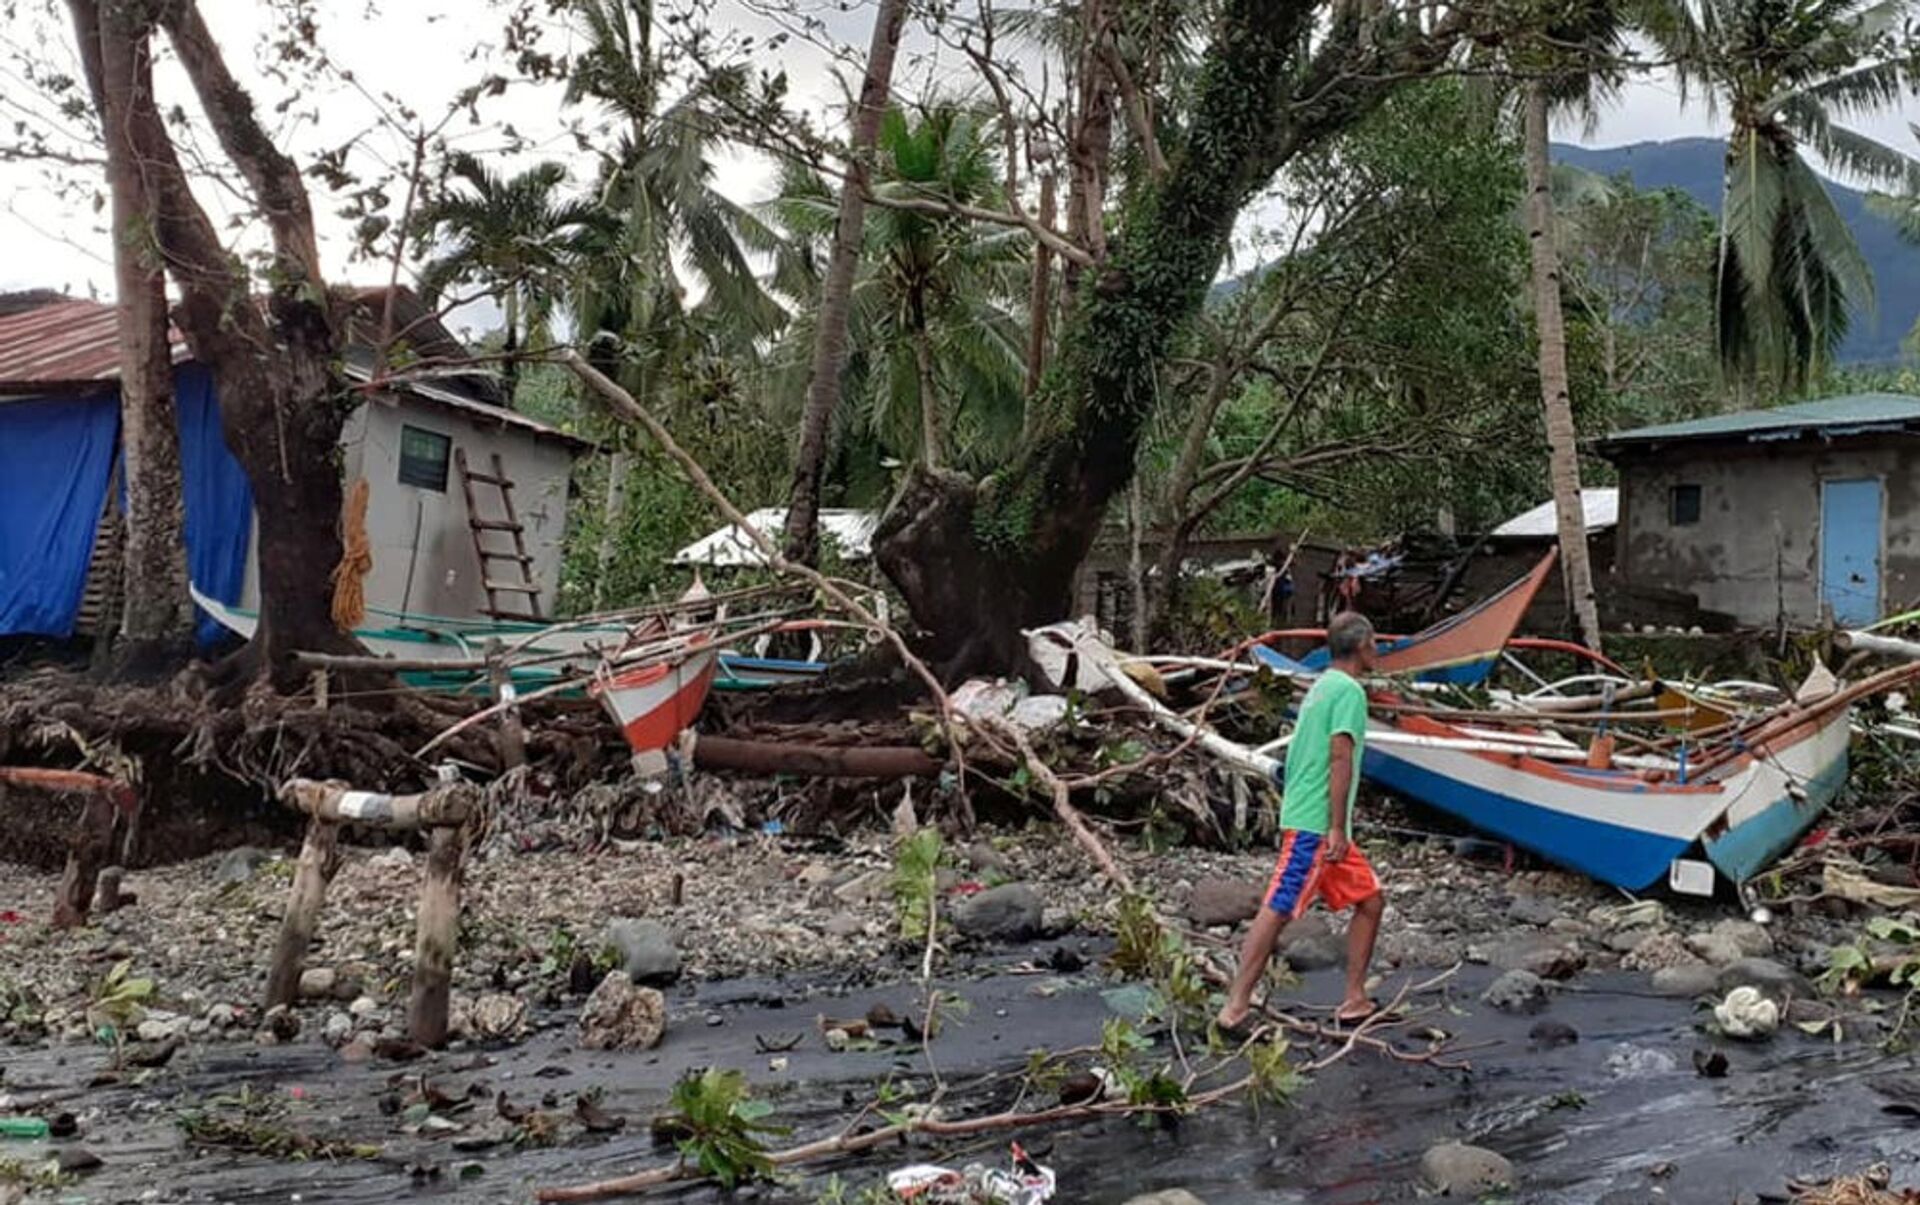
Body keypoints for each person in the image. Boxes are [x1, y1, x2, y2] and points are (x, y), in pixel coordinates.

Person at [1217, 610, 1386, 1034]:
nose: (1377, 649)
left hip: (1314, 818)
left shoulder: (1320, 686)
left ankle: (1354, 998)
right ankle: (1235, 1007)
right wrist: (1335, 826)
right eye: (1374, 643)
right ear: (1361, 646)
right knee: (1279, 907)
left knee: (1370, 901)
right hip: (1317, 824)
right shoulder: (1348, 691)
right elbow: (1340, 756)